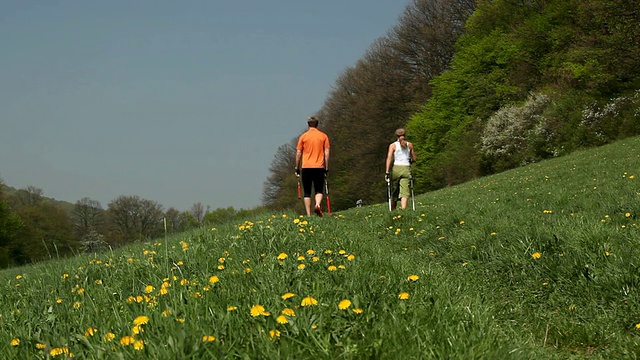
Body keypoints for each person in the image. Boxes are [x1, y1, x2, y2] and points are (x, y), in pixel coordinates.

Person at [295, 116, 330, 216]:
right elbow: (326, 153)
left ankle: (308, 214)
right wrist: (326, 168)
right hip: (319, 167)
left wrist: (297, 167)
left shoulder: (303, 137)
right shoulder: (323, 136)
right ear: (317, 124)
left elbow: (298, 153)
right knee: (319, 190)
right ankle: (317, 205)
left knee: (307, 192)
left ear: (308, 124)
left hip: (306, 167)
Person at [385, 128, 416, 210]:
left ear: (396, 136)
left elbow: (389, 158)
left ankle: (393, 208)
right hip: (406, 168)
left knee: (395, 189)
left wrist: (387, 172)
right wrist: (410, 160)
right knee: (405, 191)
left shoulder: (393, 146)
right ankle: (403, 209)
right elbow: (414, 159)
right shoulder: (410, 145)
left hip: (396, 169)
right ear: (405, 135)